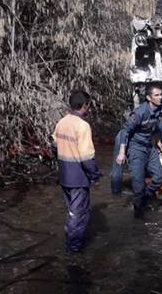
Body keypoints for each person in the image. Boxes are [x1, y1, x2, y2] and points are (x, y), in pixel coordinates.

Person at [52, 90, 102, 253]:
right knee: (78, 214)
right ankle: (73, 250)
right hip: (78, 178)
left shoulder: (62, 122)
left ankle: (71, 243)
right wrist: (95, 176)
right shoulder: (82, 126)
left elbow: (55, 144)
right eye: (88, 105)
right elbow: (87, 158)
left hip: (65, 176)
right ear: (85, 105)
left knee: (72, 212)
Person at [116, 84, 162, 218]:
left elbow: (161, 128)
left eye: (161, 94)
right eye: (157, 95)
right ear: (149, 98)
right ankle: (138, 218)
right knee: (138, 185)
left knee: (160, 177)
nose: (160, 97)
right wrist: (121, 152)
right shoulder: (140, 113)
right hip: (136, 148)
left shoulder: (161, 110)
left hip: (150, 147)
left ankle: (146, 196)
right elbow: (125, 132)